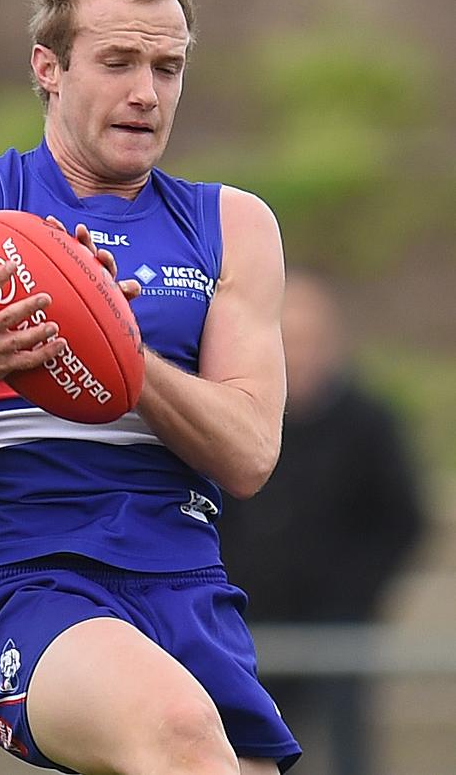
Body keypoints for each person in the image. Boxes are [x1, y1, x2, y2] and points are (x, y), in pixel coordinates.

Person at [0, 0, 301, 774]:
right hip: (37, 585)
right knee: (182, 737)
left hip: (189, 589)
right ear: (50, 68)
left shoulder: (232, 226)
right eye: (118, 63)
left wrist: (120, 353)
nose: (147, 92)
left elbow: (252, 454)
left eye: (168, 66)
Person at [217, 269, 424, 775]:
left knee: (344, 752)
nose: (303, 355)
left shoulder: (369, 423)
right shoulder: (234, 419)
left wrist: (353, 597)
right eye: (291, 341)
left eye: (313, 341)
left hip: (336, 633)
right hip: (245, 626)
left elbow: (401, 519)